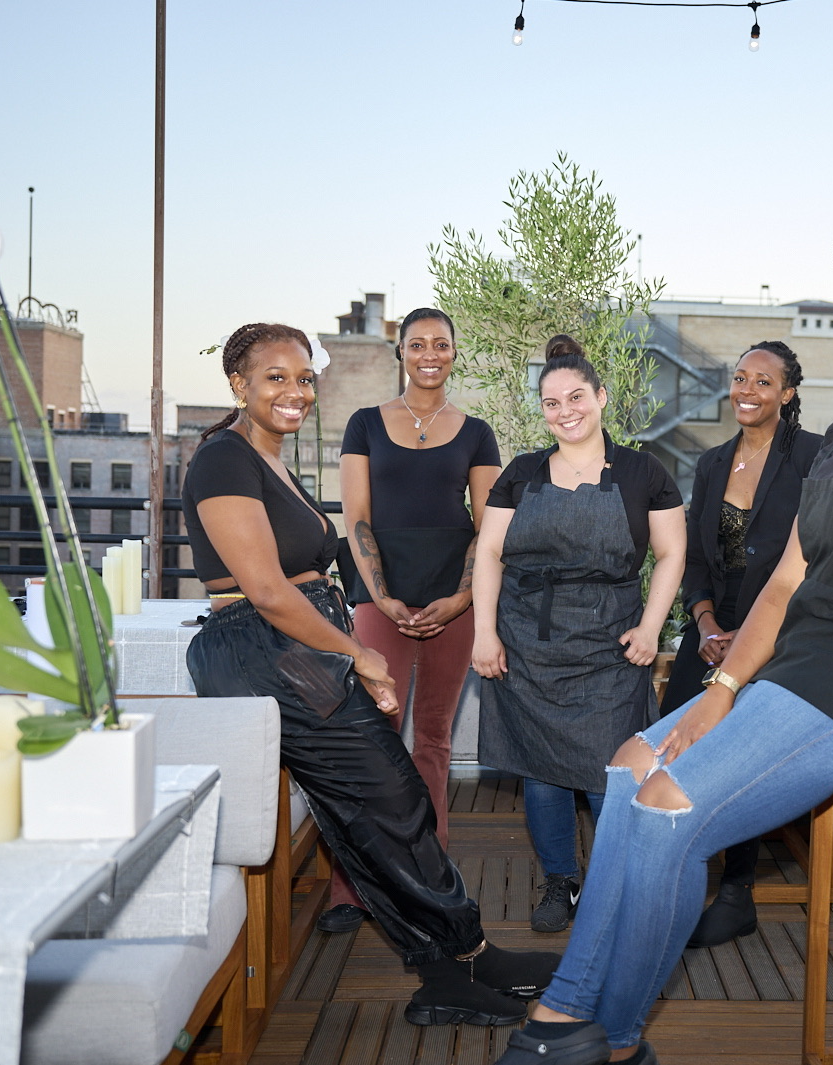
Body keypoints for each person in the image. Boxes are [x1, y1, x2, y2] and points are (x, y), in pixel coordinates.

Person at [491, 202, 833, 1065]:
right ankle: (573, 1009)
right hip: (809, 666)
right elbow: (787, 581)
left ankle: (605, 1038)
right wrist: (715, 695)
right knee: (629, 769)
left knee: (668, 812)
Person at [182, 322, 558, 1029]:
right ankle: (457, 959)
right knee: (391, 798)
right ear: (238, 383)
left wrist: (345, 648)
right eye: (276, 377)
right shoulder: (223, 460)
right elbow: (265, 588)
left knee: (377, 810)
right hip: (267, 647)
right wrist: (360, 652)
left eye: (303, 377)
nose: (295, 391)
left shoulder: (269, 459)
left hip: (292, 648)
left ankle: (458, 958)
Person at [472, 335, 685, 936]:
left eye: (576, 397)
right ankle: (560, 881)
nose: (565, 411)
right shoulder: (520, 473)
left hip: (610, 641)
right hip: (527, 639)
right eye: (551, 403)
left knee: (610, 769)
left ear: (601, 397)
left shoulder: (645, 472)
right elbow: (489, 552)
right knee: (539, 768)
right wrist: (484, 633)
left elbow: (671, 555)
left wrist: (649, 628)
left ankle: (616, 880)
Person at [317, 308, 502, 935]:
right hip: (378, 599)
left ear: (455, 352)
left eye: (441, 344)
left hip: (454, 600)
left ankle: (431, 874)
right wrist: (383, 596)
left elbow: (488, 526)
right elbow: (357, 518)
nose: (430, 353)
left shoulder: (476, 432)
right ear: (401, 352)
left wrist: (459, 600)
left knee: (433, 741)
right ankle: (353, 885)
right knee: (370, 738)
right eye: (417, 343)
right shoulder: (365, 424)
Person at [658, 340, 822, 949]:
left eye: (763, 381)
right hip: (709, 630)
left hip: (779, 630)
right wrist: (703, 623)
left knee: (744, 753)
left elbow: (812, 560)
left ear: (788, 393)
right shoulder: (711, 463)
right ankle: (676, 872)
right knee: (676, 740)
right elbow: (696, 556)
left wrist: (747, 636)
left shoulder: (813, 457)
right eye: (740, 378)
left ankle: (737, 892)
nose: (747, 390)